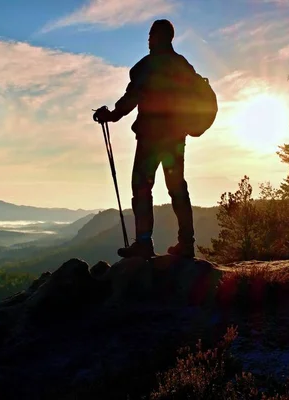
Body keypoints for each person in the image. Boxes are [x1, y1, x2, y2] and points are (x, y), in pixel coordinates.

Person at [93, 19, 197, 259]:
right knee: (177, 187)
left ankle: (143, 243)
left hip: (150, 138)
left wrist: (110, 115)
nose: (148, 40)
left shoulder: (147, 67)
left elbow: (131, 99)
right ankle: (186, 243)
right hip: (176, 139)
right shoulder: (183, 66)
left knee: (141, 187)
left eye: (151, 35)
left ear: (159, 37)